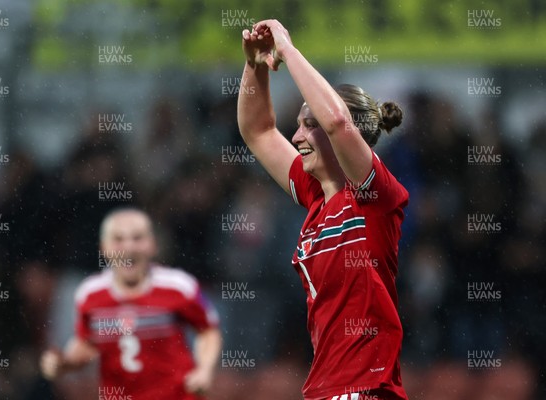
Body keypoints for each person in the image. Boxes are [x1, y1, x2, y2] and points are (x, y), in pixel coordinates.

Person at [237, 20, 409, 400]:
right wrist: (256, 65)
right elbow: (259, 131)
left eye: (308, 125)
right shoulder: (316, 196)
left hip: (367, 388)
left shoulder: (374, 196)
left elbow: (338, 122)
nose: (296, 136)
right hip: (325, 387)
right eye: (297, 125)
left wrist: (288, 50)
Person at [40, 207, 222, 399]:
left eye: (137, 238)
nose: (128, 247)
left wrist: (205, 370)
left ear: (153, 245)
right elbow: (86, 343)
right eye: (118, 239)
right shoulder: (90, 294)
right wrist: (65, 363)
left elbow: (208, 331)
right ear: (104, 248)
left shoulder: (179, 286)